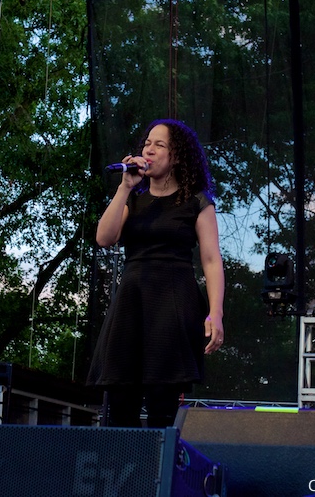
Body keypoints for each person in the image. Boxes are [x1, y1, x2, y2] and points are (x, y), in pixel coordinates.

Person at [88, 119, 225, 428]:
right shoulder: (133, 198)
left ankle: (160, 459)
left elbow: (211, 260)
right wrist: (125, 187)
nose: (149, 149)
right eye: (147, 143)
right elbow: (104, 238)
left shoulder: (196, 201)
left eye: (159, 145)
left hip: (172, 301)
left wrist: (215, 313)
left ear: (176, 157)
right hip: (132, 300)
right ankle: (126, 459)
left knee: (163, 399)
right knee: (121, 396)